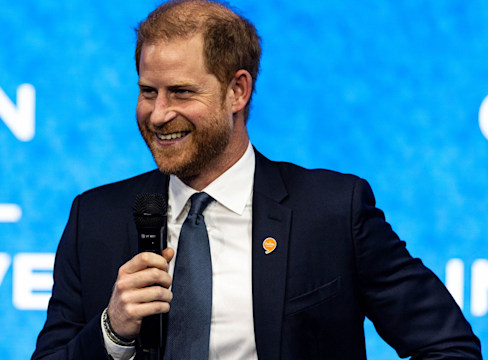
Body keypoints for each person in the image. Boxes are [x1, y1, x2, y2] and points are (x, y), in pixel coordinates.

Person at [32, 0, 482, 359]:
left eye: (181, 92)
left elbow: (450, 347)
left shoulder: (331, 210)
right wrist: (112, 332)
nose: (158, 113)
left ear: (237, 91)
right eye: (148, 91)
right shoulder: (94, 218)